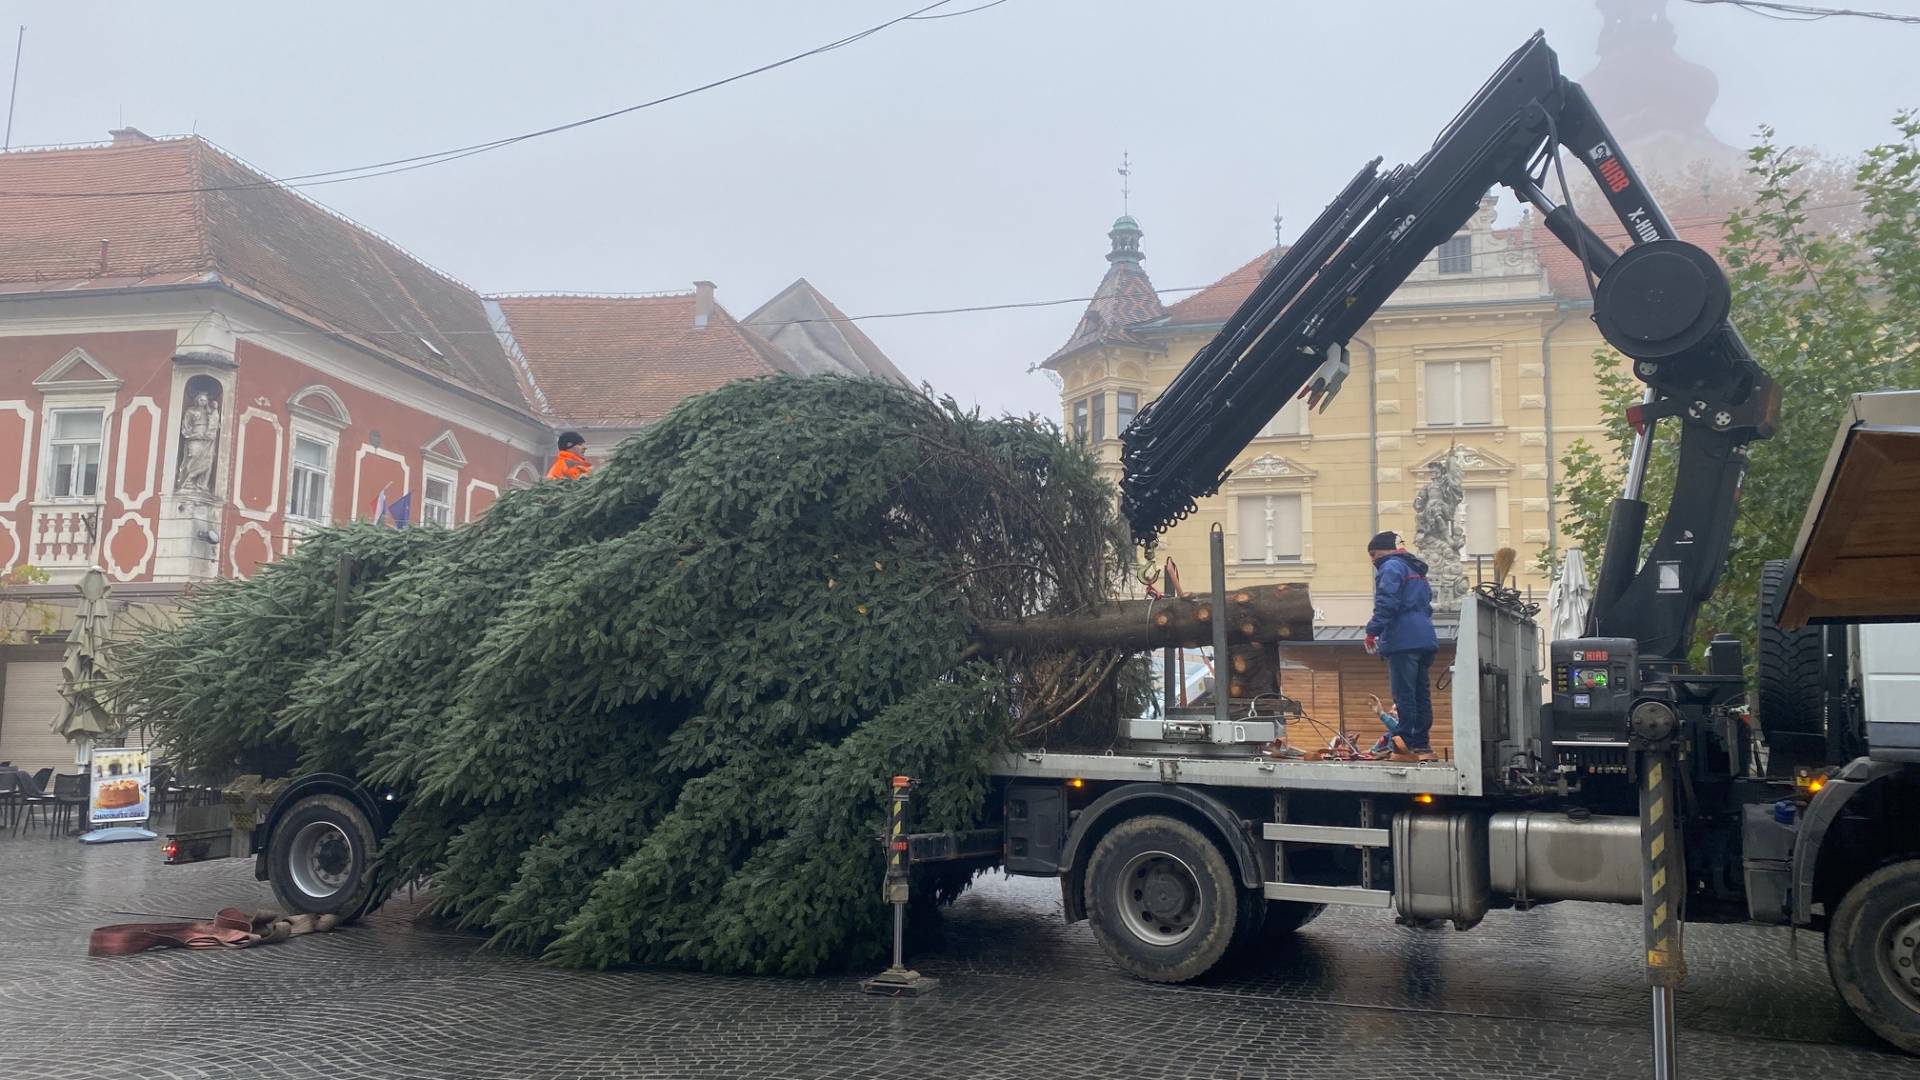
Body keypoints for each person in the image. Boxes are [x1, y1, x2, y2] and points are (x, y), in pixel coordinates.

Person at [1364, 531, 1437, 761]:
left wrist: (1372, 631)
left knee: (1404, 695)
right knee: (1420, 694)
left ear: (1385, 550)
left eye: (1373, 554)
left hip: (1403, 641)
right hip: (1425, 638)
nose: (1372, 560)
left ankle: (1405, 745)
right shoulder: (1416, 570)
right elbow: (1426, 604)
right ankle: (1423, 746)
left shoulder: (1391, 567)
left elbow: (1387, 602)